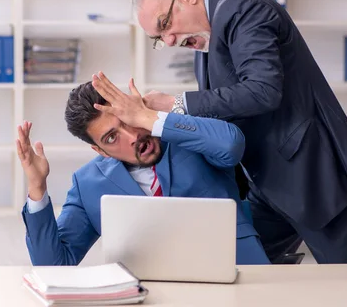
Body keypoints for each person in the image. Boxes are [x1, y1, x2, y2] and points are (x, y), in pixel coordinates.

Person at [132, 0, 347, 264]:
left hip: (318, 180)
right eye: (159, 38)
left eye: (165, 24)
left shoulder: (242, 8)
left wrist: (176, 103)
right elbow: (225, 115)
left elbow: (263, 91)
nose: (169, 40)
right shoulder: (204, 46)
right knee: (231, 267)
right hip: (268, 187)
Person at [18, 72, 271, 266]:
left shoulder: (188, 138)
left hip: (239, 278)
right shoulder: (88, 185)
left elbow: (231, 145)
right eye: (111, 138)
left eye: (126, 120)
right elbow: (53, 265)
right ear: (101, 151)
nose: (131, 136)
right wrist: (37, 187)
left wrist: (149, 117)